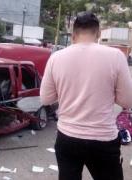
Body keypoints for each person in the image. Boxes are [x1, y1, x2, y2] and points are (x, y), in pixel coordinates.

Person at [40, 12, 132, 180]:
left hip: (67, 137)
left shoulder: (56, 58)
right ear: (98, 33)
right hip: (103, 138)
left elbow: (46, 99)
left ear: (73, 34)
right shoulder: (116, 56)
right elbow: (126, 101)